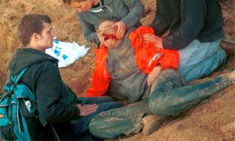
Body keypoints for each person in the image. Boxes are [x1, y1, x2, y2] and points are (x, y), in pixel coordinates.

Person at [84, 19, 235, 139]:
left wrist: (157, 67)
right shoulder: (102, 60)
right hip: (145, 101)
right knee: (96, 125)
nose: (103, 33)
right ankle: (144, 121)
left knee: (159, 103)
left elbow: (167, 52)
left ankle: (224, 80)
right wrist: (78, 108)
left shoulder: (138, 36)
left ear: (119, 27)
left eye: (108, 28)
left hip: (161, 79)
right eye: (99, 31)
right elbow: (96, 91)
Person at [117, 0, 230, 83]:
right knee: (154, 68)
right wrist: (145, 34)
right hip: (186, 34)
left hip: (206, 35)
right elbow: (164, 16)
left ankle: (218, 56)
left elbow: (194, 22)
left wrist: (166, 43)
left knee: (171, 76)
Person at [8, 14, 123, 140]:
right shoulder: (44, 68)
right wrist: (77, 111)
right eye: (49, 31)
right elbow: (49, 112)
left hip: (55, 115)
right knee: (116, 108)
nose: (54, 34)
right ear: (36, 36)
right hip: (61, 127)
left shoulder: (19, 61)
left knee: (108, 100)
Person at [62, 0, 145, 45]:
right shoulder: (82, 12)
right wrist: (98, 36)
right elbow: (88, 34)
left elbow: (138, 7)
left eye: (79, 6)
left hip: (135, 35)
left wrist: (124, 23)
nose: (79, 10)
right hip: (112, 46)